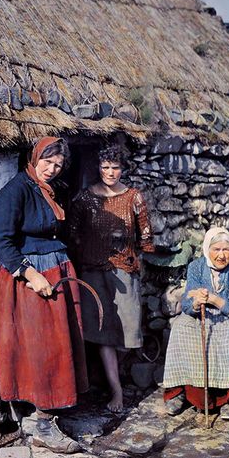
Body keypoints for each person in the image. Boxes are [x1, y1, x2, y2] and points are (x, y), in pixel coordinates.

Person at [0, 136, 88, 453]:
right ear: (34, 159)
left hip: (56, 270)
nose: (51, 169)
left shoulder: (52, 191)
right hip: (31, 279)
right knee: (42, 346)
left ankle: (50, 412)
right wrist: (31, 274)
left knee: (59, 344)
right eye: (47, 162)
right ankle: (43, 422)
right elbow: (1, 242)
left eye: (58, 165)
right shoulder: (15, 191)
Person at [69, 144, 154, 412]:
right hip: (93, 272)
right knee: (104, 333)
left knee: (130, 330)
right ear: (98, 167)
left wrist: (132, 256)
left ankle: (108, 376)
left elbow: (146, 236)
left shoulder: (133, 197)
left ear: (122, 168)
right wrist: (86, 253)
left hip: (124, 271)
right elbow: (72, 232)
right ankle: (116, 390)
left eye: (115, 167)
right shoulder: (85, 199)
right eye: (105, 167)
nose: (110, 172)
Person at [163, 226, 229, 420]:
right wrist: (195, 301)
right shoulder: (196, 267)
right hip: (200, 316)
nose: (221, 255)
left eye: (226, 249)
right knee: (180, 329)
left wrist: (216, 300)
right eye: (216, 249)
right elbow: (186, 302)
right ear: (207, 249)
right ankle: (180, 391)